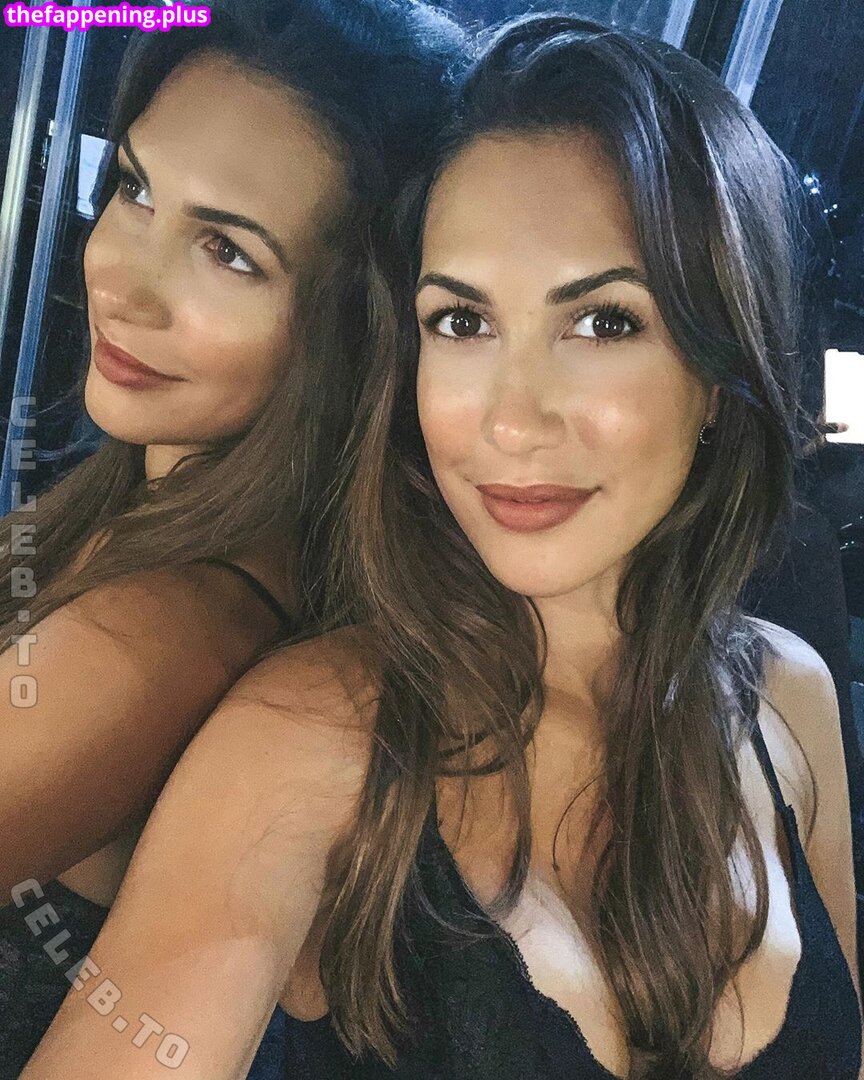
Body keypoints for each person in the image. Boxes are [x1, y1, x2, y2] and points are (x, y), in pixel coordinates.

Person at [17, 13, 864, 1080]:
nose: (512, 419)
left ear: (721, 365)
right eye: (462, 322)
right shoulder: (309, 743)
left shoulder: (792, 697)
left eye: (604, 322)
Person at [0, 1, 468, 1075]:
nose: (121, 280)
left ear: (356, 331)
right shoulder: (128, 520)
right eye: (134, 188)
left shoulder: (166, 631)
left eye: (227, 252)